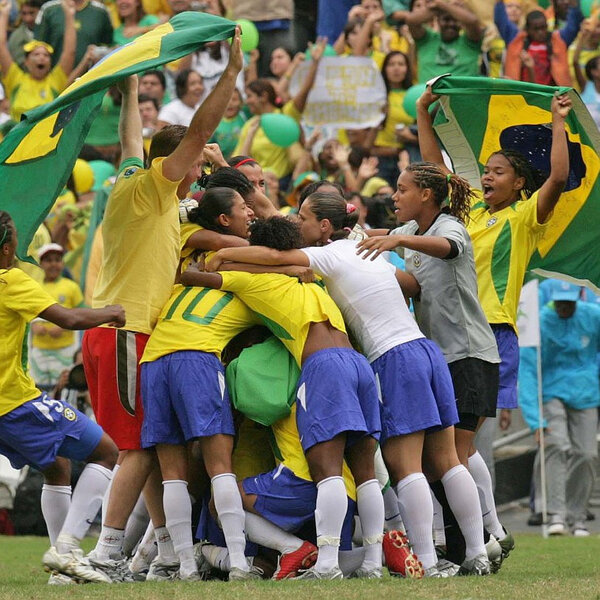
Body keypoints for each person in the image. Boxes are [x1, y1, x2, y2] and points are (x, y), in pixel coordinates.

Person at [204, 193, 491, 577]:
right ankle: (478, 552)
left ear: (324, 227)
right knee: (447, 460)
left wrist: (223, 257)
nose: (297, 222)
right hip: (425, 349)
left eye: (303, 217)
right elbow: (411, 283)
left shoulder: (329, 255)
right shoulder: (362, 251)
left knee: (403, 468)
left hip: (388, 357)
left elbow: (274, 257)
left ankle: (424, 561)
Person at [78, 29, 244, 583]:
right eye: (192, 165)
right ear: (170, 163)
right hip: (127, 329)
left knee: (145, 443)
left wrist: (128, 94)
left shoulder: (133, 181)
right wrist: (231, 71)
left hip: (118, 331)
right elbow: (200, 131)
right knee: (137, 450)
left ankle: (162, 554)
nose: (198, 173)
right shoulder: (153, 188)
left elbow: (130, 143)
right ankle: (103, 553)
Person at [416, 85, 572, 559]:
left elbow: (560, 178)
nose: (486, 177)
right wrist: (424, 112)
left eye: (497, 172)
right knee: (452, 448)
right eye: (485, 170)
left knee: (462, 447)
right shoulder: (473, 212)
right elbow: (433, 176)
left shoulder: (524, 217)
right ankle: (488, 532)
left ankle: (479, 538)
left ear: (519, 184)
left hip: (492, 334)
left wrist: (558, 122)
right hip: (448, 332)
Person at [183, 215, 385, 581]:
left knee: (326, 472)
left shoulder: (252, 280)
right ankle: (373, 561)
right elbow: (284, 260)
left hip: (324, 366)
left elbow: (195, 277)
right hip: (358, 364)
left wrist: (209, 261)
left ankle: (324, 565)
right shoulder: (309, 275)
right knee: (365, 472)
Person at [355, 162, 510, 569]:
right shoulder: (411, 233)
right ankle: (472, 545)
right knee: (440, 461)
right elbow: (375, 236)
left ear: (425, 195)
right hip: (437, 361)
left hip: (470, 356)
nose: (395, 196)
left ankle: (485, 540)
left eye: (402, 189)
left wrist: (396, 243)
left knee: (452, 456)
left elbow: (450, 249)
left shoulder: (447, 226)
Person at [0, 211, 125, 584]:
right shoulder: (9, 280)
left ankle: (63, 571)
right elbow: (67, 319)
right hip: (13, 401)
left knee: (56, 466)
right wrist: (112, 312)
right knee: (106, 451)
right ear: (6, 250)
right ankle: (68, 549)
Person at [520, 282, 600, 537]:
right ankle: (556, 514)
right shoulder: (541, 322)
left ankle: (578, 517)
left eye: (570, 301)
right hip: (551, 392)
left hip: (586, 393)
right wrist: (535, 421)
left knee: (587, 454)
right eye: (560, 301)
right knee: (555, 444)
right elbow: (529, 370)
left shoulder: (592, 316)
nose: (565, 306)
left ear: (579, 297)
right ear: (552, 299)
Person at [232, 38, 327, 181]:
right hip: (256, 184)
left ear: (263, 97)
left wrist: (315, 63)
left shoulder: (286, 115)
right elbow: (238, 160)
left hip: (283, 183)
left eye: (250, 96)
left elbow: (305, 91)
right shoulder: (250, 125)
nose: (247, 101)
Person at [0, 0, 75, 122]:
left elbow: (69, 51)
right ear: (26, 62)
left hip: (46, 140)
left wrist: (69, 15)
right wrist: (4, 14)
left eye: (46, 55)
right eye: (36, 54)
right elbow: (1, 47)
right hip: (20, 140)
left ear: (50, 62)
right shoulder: (15, 78)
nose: (41, 57)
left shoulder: (56, 80)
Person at [29, 243, 84, 391]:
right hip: (39, 352)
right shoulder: (33, 286)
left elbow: (82, 315)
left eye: (57, 260)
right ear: (41, 264)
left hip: (65, 352)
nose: (53, 264)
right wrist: (33, 325)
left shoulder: (72, 287)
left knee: (63, 389)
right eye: (49, 260)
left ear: (63, 263)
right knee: (39, 390)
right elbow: (27, 313)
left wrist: (64, 327)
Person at [408, 0, 484, 83]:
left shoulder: (471, 42)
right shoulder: (426, 40)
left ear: (462, 23)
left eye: (455, 20)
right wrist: (446, 7)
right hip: (428, 94)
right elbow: (411, 21)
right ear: (437, 20)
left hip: (462, 94)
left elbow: (473, 22)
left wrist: (444, 6)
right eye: (446, 19)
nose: (451, 24)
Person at [35, 0, 113, 67]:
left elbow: (107, 48)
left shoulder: (101, 12)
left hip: (90, 78)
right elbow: (38, 48)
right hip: (56, 80)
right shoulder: (49, 10)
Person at [7, 0, 43, 68]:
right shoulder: (16, 37)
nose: (28, 19)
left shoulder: (50, 31)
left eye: (32, 13)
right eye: (24, 13)